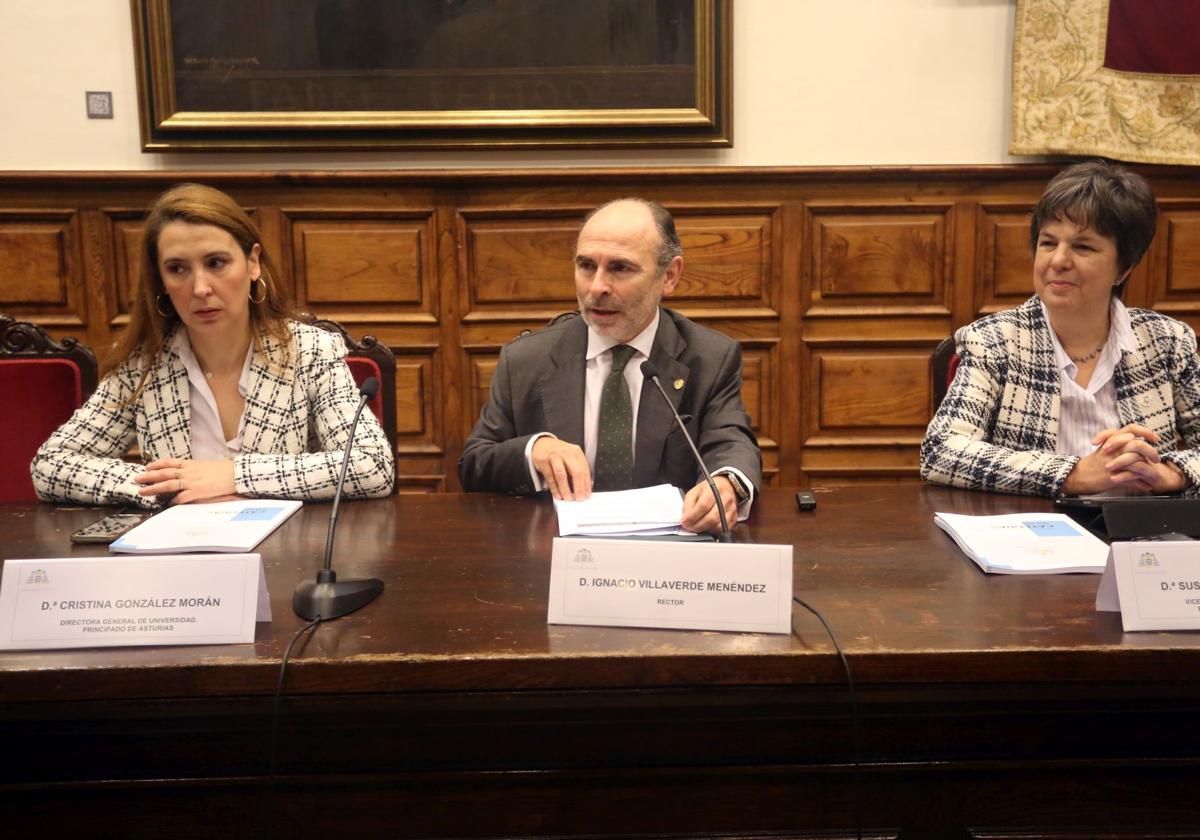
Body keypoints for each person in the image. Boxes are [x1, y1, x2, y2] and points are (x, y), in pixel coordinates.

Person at [31, 183, 394, 508]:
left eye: (216, 263)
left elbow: (372, 465)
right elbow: (50, 465)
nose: (200, 288)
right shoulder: (143, 366)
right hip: (179, 563)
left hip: (288, 559)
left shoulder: (312, 351)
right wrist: (163, 486)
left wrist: (234, 475)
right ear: (161, 281)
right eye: (178, 269)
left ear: (252, 263)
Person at [458, 198, 761, 534]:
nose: (596, 287)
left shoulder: (709, 358)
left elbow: (731, 441)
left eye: (620, 268)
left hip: (667, 559)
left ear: (669, 276)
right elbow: (475, 464)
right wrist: (534, 450)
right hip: (552, 557)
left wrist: (726, 483)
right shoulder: (526, 359)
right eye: (586, 265)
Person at [921, 160, 1200, 497]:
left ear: (1123, 269)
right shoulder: (995, 341)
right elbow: (941, 452)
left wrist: (1170, 474)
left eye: (1083, 247)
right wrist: (1072, 474)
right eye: (1048, 243)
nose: (1058, 260)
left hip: (1142, 539)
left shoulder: (1166, 341)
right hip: (1032, 536)